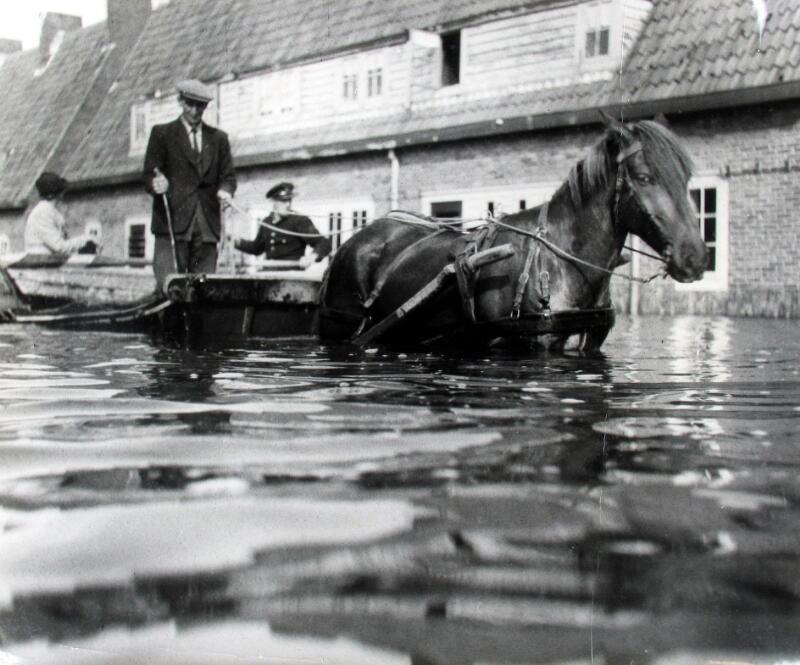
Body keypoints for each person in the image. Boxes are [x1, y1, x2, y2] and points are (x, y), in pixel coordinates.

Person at [143, 79, 237, 293]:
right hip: (172, 226)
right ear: (180, 102)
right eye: (189, 104)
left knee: (205, 292)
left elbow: (229, 176)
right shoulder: (162, 134)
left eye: (200, 106)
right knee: (170, 289)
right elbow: (148, 175)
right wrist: (157, 183)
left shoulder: (219, 139)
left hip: (207, 228)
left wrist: (225, 190)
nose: (195, 111)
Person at [233, 182, 330, 267]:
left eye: (289, 201)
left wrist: (312, 256)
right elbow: (256, 248)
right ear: (274, 202)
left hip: (290, 276)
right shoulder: (267, 222)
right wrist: (237, 242)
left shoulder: (299, 221)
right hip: (268, 274)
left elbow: (324, 242)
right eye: (283, 201)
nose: (287, 204)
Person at [24, 172, 97, 257]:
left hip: (50, 261)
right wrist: (85, 239)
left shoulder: (51, 211)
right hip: (39, 262)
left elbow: (63, 244)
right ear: (57, 193)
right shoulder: (42, 212)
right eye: (61, 190)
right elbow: (59, 246)